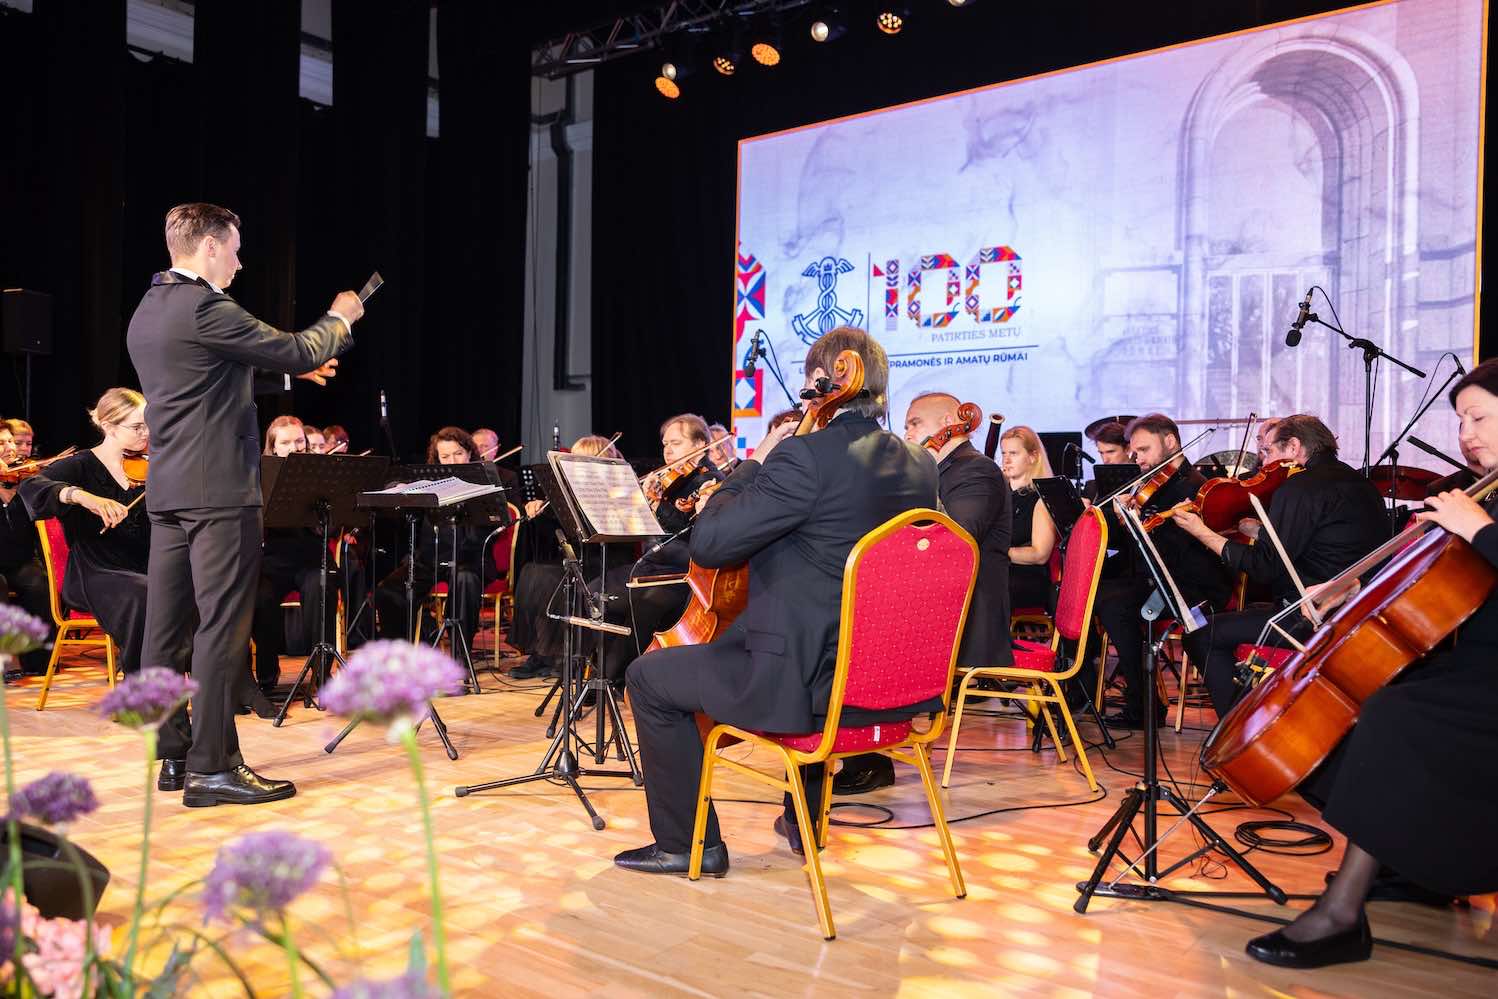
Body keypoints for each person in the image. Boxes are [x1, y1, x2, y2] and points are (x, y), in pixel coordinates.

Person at [615, 326, 938, 876]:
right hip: (885, 678)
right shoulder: (920, 464)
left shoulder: (803, 458)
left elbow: (712, 543)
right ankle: (804, 818)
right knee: (815, 623)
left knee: (648, 677)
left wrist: (758, 460)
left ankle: (687, 844)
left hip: (805, 687)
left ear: (823, 382)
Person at [1242, 360, 1498, 968]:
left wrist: (1481, 530)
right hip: (1471, 663)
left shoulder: (1482, 506)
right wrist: (1354, 588)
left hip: (1487, 676)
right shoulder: (1484, 490)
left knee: (1393, 716)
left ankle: (1342, 914)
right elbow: (1436, 582)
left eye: (1479, 418)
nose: (1466, 434)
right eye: (1461, 421)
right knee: (1343, 717)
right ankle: (1412, 863)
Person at [126, 201, 358, 807]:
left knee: (165, 630)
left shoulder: (150, 307)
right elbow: (300, 348)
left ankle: (175, 755)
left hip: (170, 489)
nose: (238, 261)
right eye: (233, 249)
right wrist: (340, 317)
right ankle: (214, 768)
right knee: (222, 629)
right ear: (208, 247)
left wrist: (288, 377)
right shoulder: (206, 304)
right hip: (218, 491)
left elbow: (204, 378)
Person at [833, 390, 1014, 797]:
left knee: (855, 638)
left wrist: (919, 477)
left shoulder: (978, 470)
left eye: (914, 423)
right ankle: (860, 749)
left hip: (964, 615)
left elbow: (953, 540)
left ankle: (870, 757)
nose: (907, 433)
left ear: (949, 422)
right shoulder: (933, 470)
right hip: (927, 604)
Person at [1175, 414, 1387, 716]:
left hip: (1314, 617)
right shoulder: (1361, 483)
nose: (1264, 463)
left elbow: (1265, 567)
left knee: (1199, 635)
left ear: (1294, 446)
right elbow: (1322, 540)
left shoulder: (1299, 487)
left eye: (1269, 451)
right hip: (1358, 611)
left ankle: (1240, 726)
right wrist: (1259, 531)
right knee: (1246, 614)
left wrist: (1201, 532)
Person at [1089, 414, 1234, 727]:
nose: (1137, 459)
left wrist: (1140, 523)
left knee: (1115, 605)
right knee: (1100, 594)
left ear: (1170, 442)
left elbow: (1179, 554)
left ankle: (1144, 707)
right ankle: (1124, 698)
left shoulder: (1196, 487)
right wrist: (1123, 520)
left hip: (1193, 585)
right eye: (1135, 451)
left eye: (1144, 450)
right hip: (1161, 579)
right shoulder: (1154, 485)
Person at [20, 388, 154, 678]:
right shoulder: (80, 465)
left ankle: (213, 684)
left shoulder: (150, 465)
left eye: (148, 425)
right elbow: (30, 488)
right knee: (143, 595)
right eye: (137, 427)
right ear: (109, 426)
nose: (146, 433)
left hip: (147, 566)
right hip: (95, 571)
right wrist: (81, 497)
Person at [594, 413, 725, 690]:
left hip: (685, 572)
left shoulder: (712, 481)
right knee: (594, 591)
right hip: (655, 563)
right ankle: (599, 671)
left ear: (699, 444)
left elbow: (690, 532)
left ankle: (615, 677)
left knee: (645, 602)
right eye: (665, 444)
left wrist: (654, 504)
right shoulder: (673, 480)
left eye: (676, 443)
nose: (668, 450)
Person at [507, 435, 633, 679]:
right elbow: (555, 533)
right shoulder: (568, 491)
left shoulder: (620, 493)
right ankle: (540, 652)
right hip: (578, 558)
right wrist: (538, 511)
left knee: (552, 578)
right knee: (532, 572)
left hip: (606, 561)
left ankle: (563, 656)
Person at [250, 416, 338, 705]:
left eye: (299, 441)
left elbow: (336, 522)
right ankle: (266, 674)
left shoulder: (319, 472)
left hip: (312, 557)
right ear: (273, 447)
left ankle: (322, 675)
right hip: (273, 560)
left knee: (321, 586)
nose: (294, 447)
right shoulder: (260, 475)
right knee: (259, 597)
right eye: (285, 442)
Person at [372, 426, 485, 646]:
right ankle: (401, 652)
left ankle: (460, 652)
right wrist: (399, 487)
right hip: (429, 560)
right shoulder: (430, 482)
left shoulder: (483, 482)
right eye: (445, 456)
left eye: (458, 453)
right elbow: (396, 482)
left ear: (470, 453)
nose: (452, 461)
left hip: (468, 561)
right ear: (437, 459)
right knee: (388, 590)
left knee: (465, 581)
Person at [0, 422, 55, 681]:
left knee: (39, 585)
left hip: (19, 559)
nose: (11, 448)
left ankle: (38, 661)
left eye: (11, 441)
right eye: (2, 443)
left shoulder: (24, 481)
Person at [1000, 426, 1056, 612]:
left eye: (1014, 453)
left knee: (985, 588)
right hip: (1002, 570)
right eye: (1004, 453)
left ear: (1033, 457)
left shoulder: (1040, 499)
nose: (1006, 460)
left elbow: (1040, 555)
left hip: (1027, 577)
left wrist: (996, 552)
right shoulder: (999, 495)